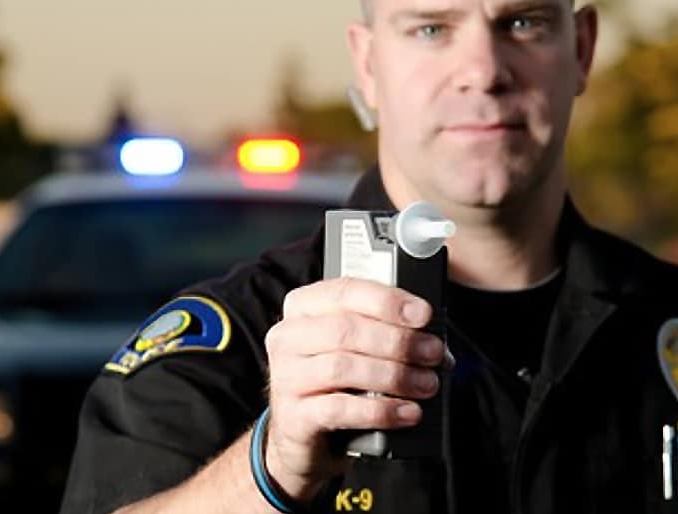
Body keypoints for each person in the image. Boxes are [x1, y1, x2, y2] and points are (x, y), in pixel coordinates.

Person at [60, 1, 678, 513]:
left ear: (582, 48)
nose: (485, 71)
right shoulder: (236, 343)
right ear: (368, 63)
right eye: (432, 28)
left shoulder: (664, 324)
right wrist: (271, 468)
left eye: (523, 23)